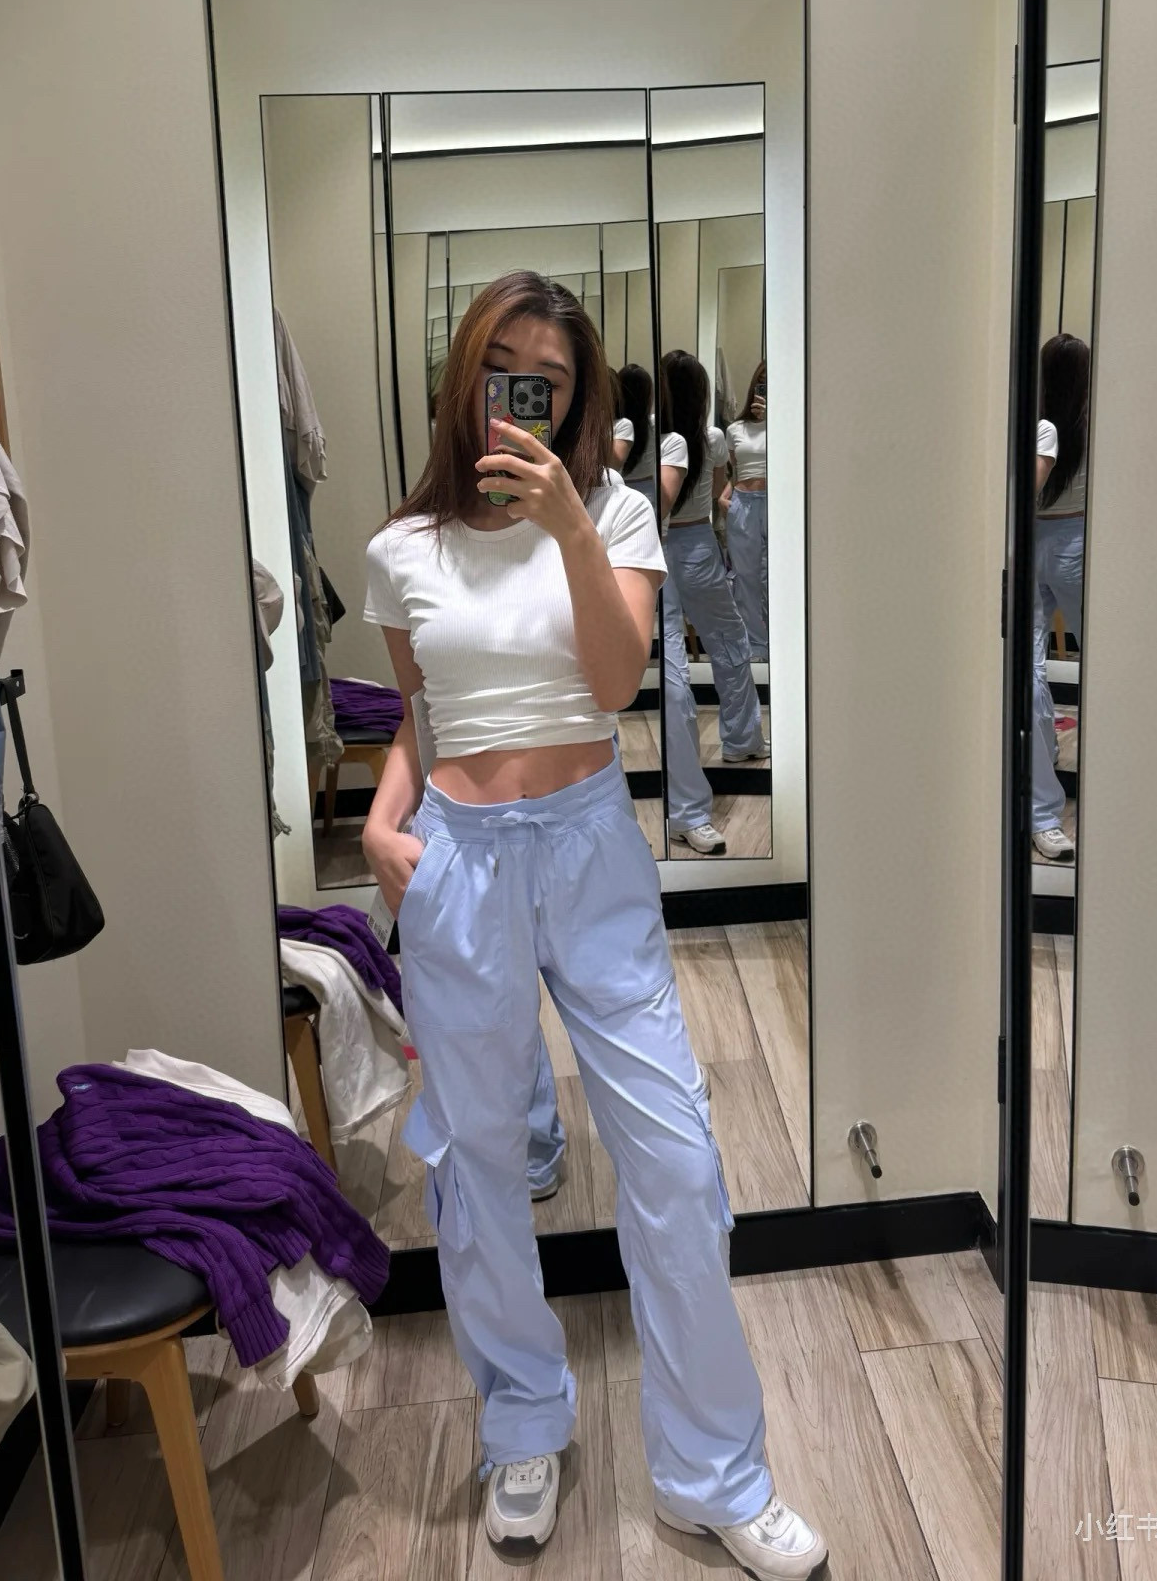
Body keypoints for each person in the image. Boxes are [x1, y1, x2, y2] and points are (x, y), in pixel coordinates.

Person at [361, 273, 825, 1576]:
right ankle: (523, 1419)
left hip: (588, 847)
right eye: (502, 364)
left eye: (549, 378)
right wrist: (385, 823)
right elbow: (425, 715)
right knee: (478, 1167)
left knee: (673, 1157)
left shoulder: (615, 512)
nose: (522, 390)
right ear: (466, 374)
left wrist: (567, 520)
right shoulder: (403, 547)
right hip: (457, 866)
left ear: (574, 397)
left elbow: (616, 683)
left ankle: (713, 1473)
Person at [658, 352, 768, 856]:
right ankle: (742, 740)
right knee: (728, 643)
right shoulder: (711, 437)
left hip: (655, 547)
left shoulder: (649, 438)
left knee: (673, 669)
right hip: (697, 543)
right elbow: (720, 483)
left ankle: (687, 810)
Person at [1032, 332, 1089, 863]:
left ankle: (1044, 816)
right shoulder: (1088, 423)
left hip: (1029, 540)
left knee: (1028, 672)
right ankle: (1047, 811)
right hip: (1074, 539)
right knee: (1100, 667)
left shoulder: (1032, 422)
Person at [723, 358, 769, 663]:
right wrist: (725, 496)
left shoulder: (791, 424)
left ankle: (783, 640)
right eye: (763, 382)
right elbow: (733, 471)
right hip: (742, 503)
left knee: (777, 575)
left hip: (778, 504)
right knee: (746, 578)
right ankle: (757, 644)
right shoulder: (735, 429)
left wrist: (776, 419)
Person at [612, 361, 655, 479]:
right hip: (647, 483)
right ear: (647, 395)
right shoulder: (654, 424)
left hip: (618, 483)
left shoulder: (614, 426)